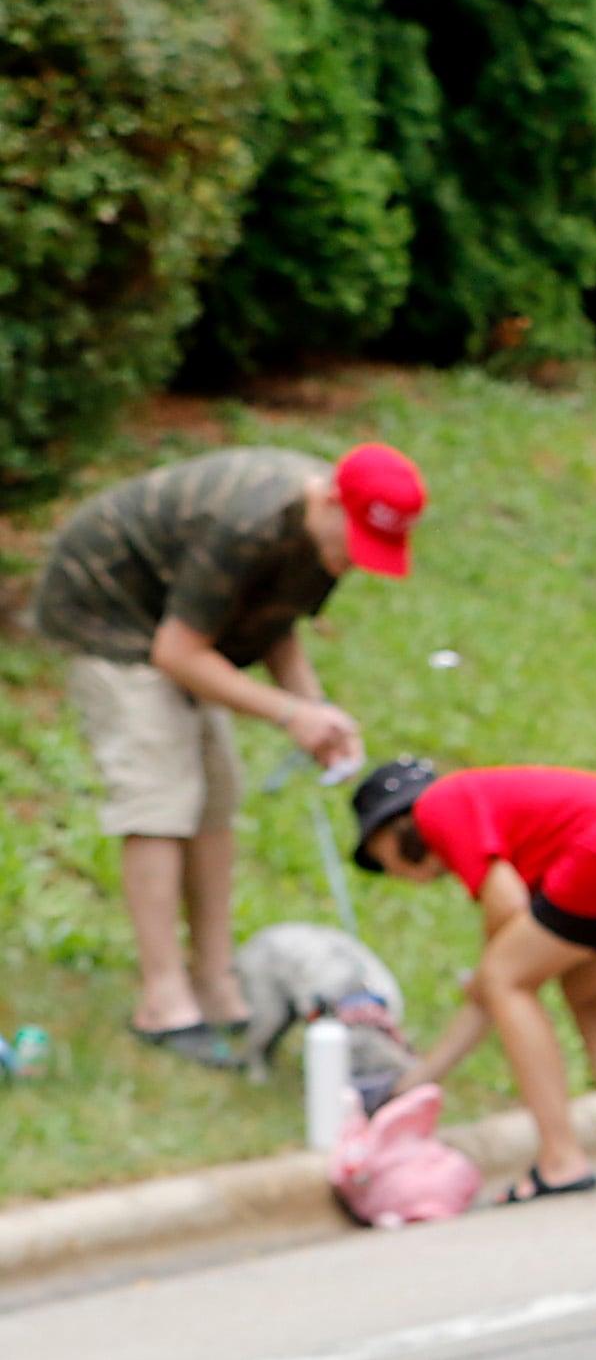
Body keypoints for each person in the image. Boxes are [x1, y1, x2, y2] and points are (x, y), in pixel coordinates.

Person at [29, 443, 423, 1066]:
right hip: (113, 613)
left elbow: (275, 623)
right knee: (160, 792)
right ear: (328, 499)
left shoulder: (319, 540)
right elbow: (176, 654)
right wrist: (291, 715)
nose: (354, 562)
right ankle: (162, 997)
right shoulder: (247, 521)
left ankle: (215, 979)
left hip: (177, 624)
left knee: (217, 792)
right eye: (354, 542)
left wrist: (314, 711)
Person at [348, 759, 596, 1197]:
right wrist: (413, 1084)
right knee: (583, 988)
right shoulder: (510, 830)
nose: (392, 873)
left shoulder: (439, 805)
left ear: (394, 830)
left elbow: (506, 916)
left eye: (382, 860)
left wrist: (493, 970)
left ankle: (561, 1158)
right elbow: (493, 983)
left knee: (506, 979)